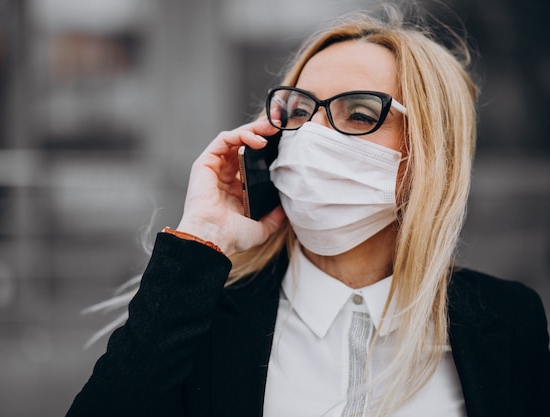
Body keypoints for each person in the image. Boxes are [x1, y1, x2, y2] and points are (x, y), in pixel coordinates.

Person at [65, 6, 550, 417]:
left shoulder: (508, 321)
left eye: (359, 113)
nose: (310, 135)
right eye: (297, 111)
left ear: (430, 149)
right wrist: (203, 238)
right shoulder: (203, 316)